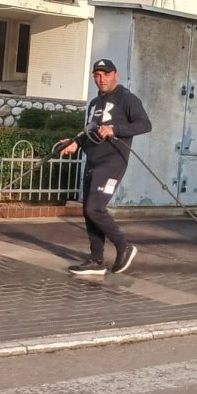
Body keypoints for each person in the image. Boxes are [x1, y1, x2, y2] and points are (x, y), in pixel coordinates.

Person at [59, 58, 153, 280]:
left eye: (106, 74)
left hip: (113, 162)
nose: (102, 79)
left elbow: (144, 124)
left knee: (95, 208)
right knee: (88, 211)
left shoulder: (127, 99)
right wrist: (75, 142)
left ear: (115, 75)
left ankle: (124, 246)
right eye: (98, 75)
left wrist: (115, 129)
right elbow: (90, 131)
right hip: (93, 161)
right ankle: (96, 261)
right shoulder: (94, 103)